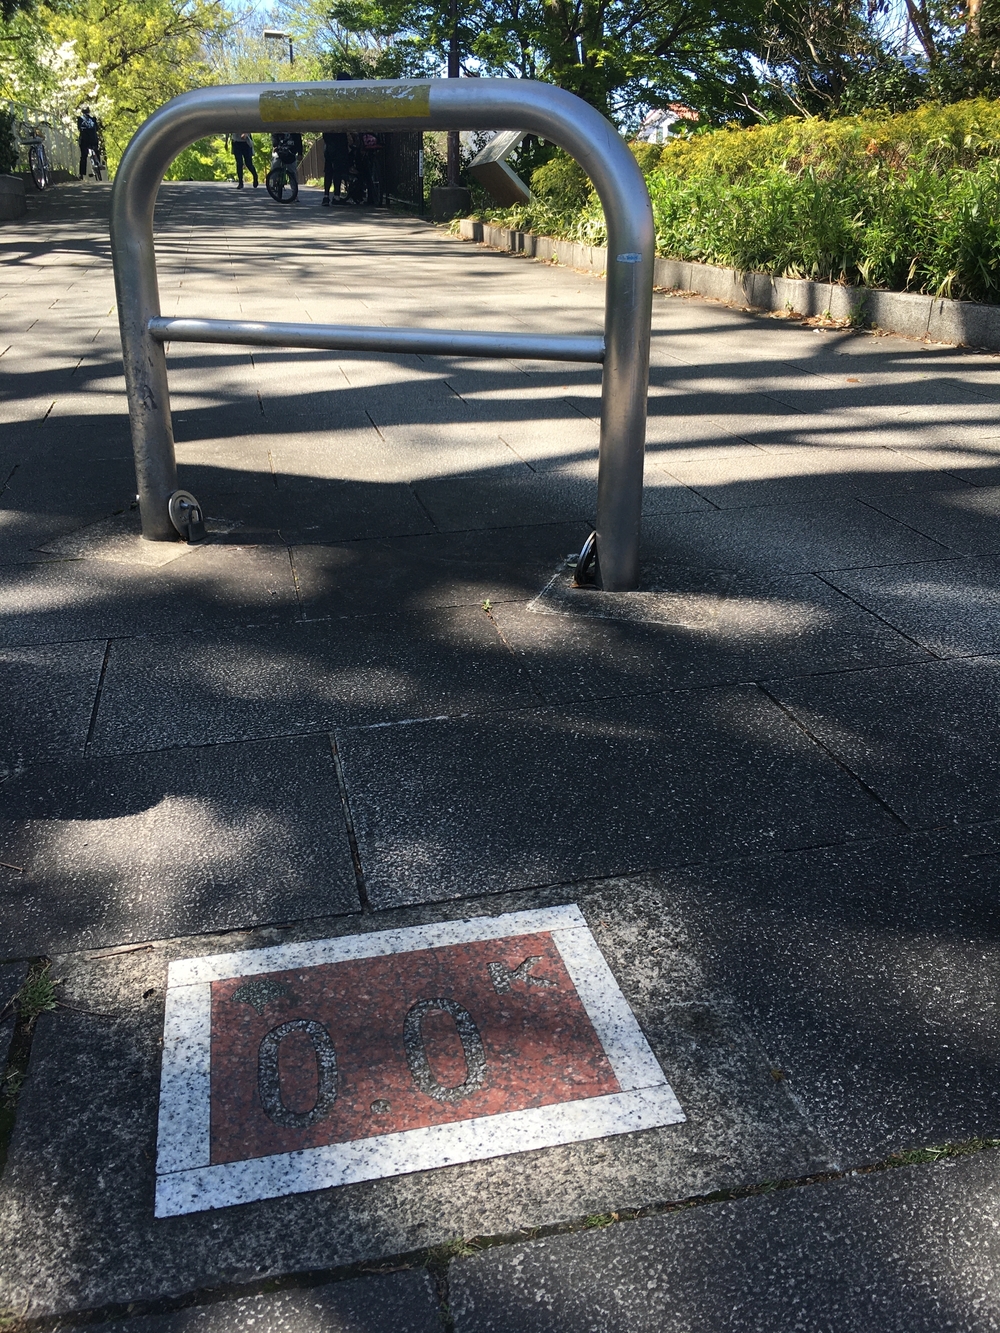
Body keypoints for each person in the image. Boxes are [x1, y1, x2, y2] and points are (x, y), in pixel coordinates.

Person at [321, 129, 350, 205]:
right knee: (337, 172)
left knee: (328, 172)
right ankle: (336, 196)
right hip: (340, 148)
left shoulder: (328, 126)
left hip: (329, 147)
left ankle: (326, 196)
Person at [77, 107, 100, 179]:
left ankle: (81, 174)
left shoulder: (80, 119)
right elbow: (97, 128)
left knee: (83, 156)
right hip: (93, 139)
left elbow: (79, 128)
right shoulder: (93, 119)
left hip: (84, 140)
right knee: (96, 150)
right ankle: (98, 163)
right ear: (89, 112)